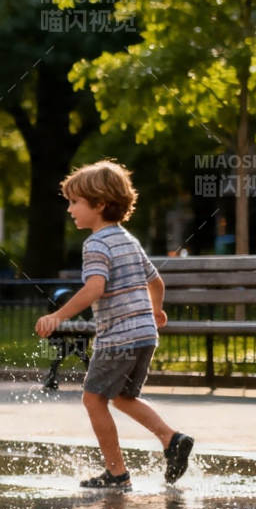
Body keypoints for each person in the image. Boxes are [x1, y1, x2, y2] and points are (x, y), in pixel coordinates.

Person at [35, 161, 194, 489]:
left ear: (100, 204)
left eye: (75, 202)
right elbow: (157, 281)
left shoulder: (96, 243)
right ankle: (171, 439)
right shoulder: (128, 239)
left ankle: (117, 473)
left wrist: (57, 316)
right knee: (121, 397)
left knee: (93, 399)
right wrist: (156, 310)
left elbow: (95, 288)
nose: (69, 209)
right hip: (144, 335)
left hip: (118, 337)